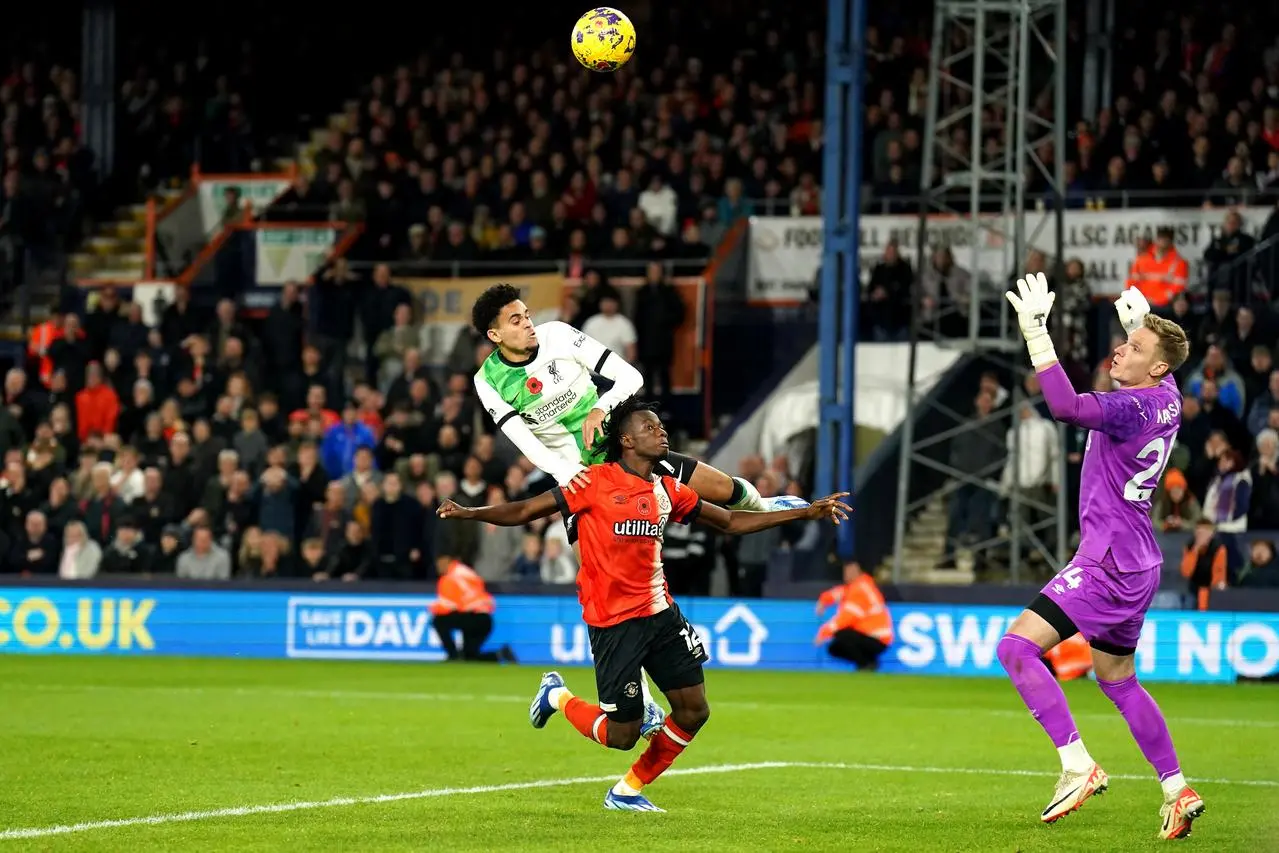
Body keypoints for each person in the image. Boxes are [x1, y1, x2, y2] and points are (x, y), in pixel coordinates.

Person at [437, 396, 848, 812]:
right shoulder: (592, 482)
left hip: (661, 615)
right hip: (613, 624)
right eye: (650, 428)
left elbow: (730, 521)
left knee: (693, 710)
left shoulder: (668, 488)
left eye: (661, 426)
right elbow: (527, 509)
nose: (662, 432)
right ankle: (557, 696)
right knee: (622, 735)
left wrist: (801, 514)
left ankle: (626, 791)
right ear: (626, 440)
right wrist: (471, 513)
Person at [1002, 273, 1203, 838]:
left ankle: (1076, 765)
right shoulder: (1169, 399)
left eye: (1134, 347)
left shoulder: (1130, 407)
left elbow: (1064, 406)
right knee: (1116, 678)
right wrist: (1141, 329)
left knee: (1016, 648)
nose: (1121, 348)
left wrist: (1037, 336)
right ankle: (1175, 788)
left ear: (1157, 367)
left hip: (1108, 559)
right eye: (1126, 340)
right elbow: (1152, 360)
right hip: (1140, 563)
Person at [468, 284, 804, 517]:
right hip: (579, 475)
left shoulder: (557, 334)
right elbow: (524, 440)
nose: (528, 324)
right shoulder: (487, 381)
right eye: (516, 321)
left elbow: (632, 377)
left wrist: (600, 408)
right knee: (593, 573)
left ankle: (763, 506)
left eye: (527, 314)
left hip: (622, 447)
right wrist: (566, 472)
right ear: (494, 336)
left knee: (722, 489)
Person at [815, 560, 893, 670]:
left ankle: (866, 664)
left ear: (856, 571)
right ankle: (868, 662)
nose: (845, 575)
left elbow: (847, 617)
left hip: (875, 637)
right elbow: (840, 593)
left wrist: (824, 632)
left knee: (842, 636)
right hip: (879, 637)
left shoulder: (859, 590)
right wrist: (824, 600)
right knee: (836, 645)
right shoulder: (862, 585)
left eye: (848, 571)